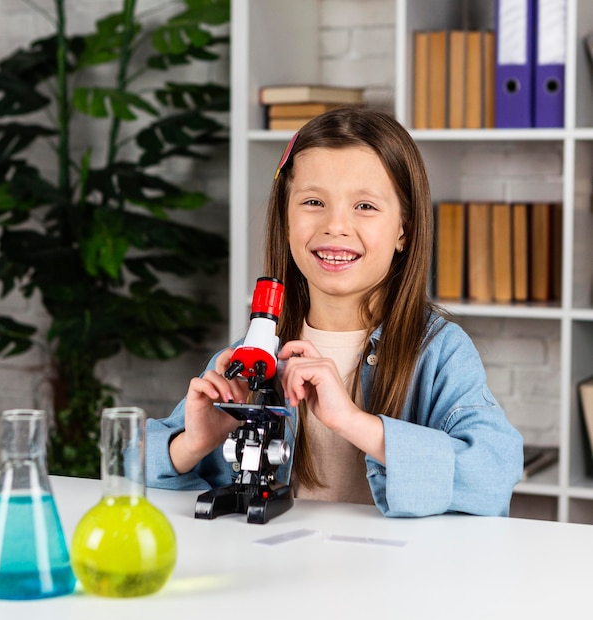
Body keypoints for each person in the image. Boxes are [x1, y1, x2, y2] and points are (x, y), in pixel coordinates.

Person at [145, 105, 524, 517]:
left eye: (365, 206)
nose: (335, 226)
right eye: (312, 201)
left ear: (405, 230)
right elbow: (130, 469)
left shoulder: (439, 352)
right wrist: (192, 444)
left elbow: (494, 475)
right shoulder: (250, 357)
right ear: (286, 219)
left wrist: (353, 421)